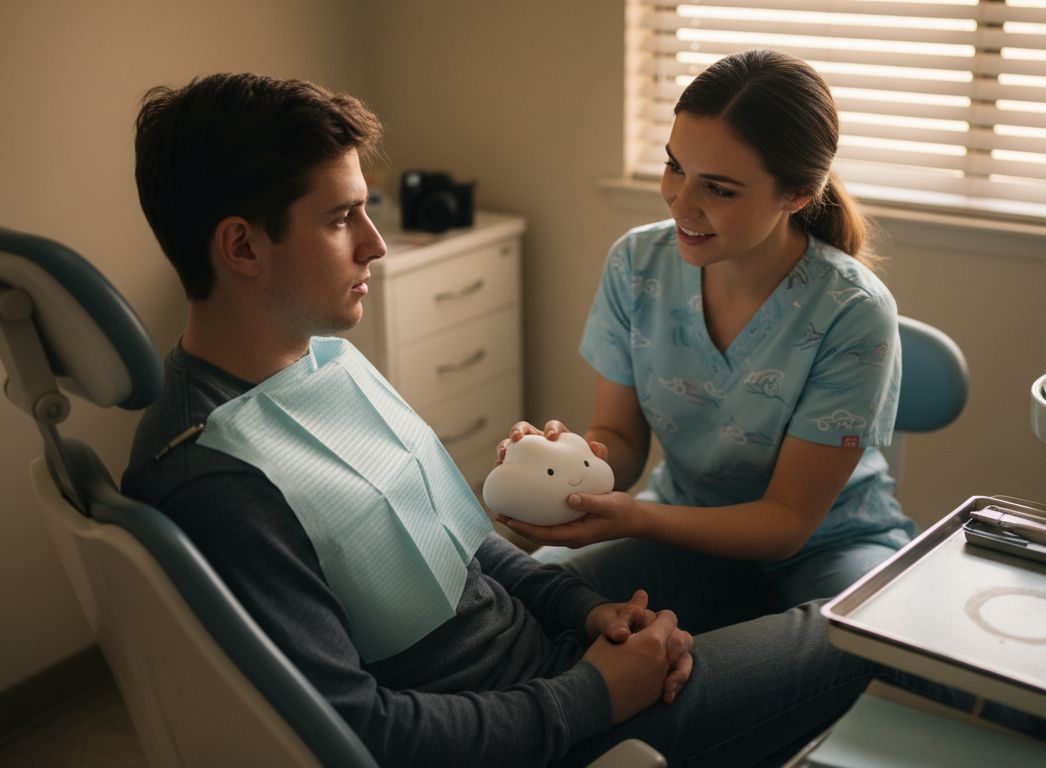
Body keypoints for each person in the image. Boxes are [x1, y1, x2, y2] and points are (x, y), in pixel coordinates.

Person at [119, 71, 913, 767]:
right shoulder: (218, 474)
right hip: (554, 720)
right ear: (242, 249)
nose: (377, 246)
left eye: (368, 212)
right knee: (876, 635)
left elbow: (462, 558)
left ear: (794, 195)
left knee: (839, 608)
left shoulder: (320, 363)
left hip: (570, 656)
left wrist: (588, 611)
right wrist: (595, 693)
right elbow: (362, 732)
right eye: (341, 220)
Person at [497, 49, 917, 630]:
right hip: (683, 523)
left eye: (718, 189)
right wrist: (568, 465)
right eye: (675, 168)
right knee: (524, 605)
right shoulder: (636, 264)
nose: (680, 203)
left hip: (827, 544)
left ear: (795, 194)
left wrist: (638, 521)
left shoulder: (853, 311)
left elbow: (787, 521)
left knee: (848, 642)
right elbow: (618, 437)